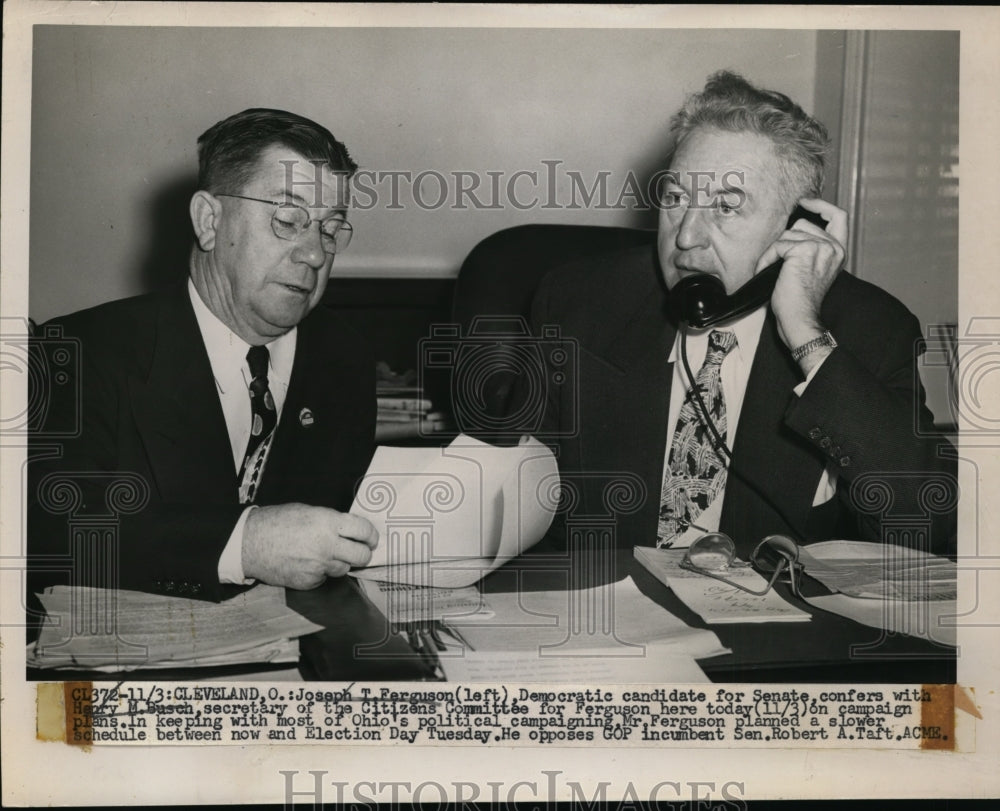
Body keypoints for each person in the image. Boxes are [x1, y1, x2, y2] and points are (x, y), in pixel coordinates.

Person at [526, 71, 957, 558]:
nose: (686, 236)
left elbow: (928, 525)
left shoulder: (873, 328)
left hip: (777, 626)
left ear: (800, 226)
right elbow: (518, 500)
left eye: (726, 207)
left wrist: (806, 335)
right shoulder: (578, 302)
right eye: (675, 198)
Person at [28, 109, 379, 603]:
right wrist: (244, 544)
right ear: (209, 220)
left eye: (330, 229)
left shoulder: (344, 357)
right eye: (287, 220)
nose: (315, 255)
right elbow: (43, 534)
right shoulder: (77, 353)